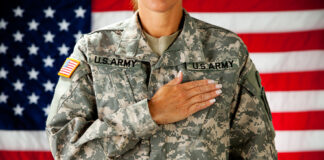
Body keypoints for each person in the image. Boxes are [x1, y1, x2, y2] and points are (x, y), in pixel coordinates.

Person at [46, 0, 277, 159]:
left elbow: (257, 149)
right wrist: (150, 113)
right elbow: (65, 148)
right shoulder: (94, 50)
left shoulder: (227, 51)